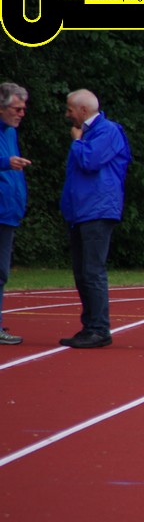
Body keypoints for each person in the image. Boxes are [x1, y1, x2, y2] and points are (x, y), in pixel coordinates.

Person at [59, 89, 132, 349]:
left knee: (92, 271)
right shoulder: (90, 133)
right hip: (82, 210)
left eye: (70, 109)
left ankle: (99, 329)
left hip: (97, 209)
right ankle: (90, 325)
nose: (67, 115)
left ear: (83, 110)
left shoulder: (107, 131)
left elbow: (90, 162)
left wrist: (77, 142)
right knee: (82, 272)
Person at [0, 82, 31, 345]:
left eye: (23, 108)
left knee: (1, 272)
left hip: (8, 212)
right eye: (17, 108)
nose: (22, 113)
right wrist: (5, 163)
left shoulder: (10, 132)